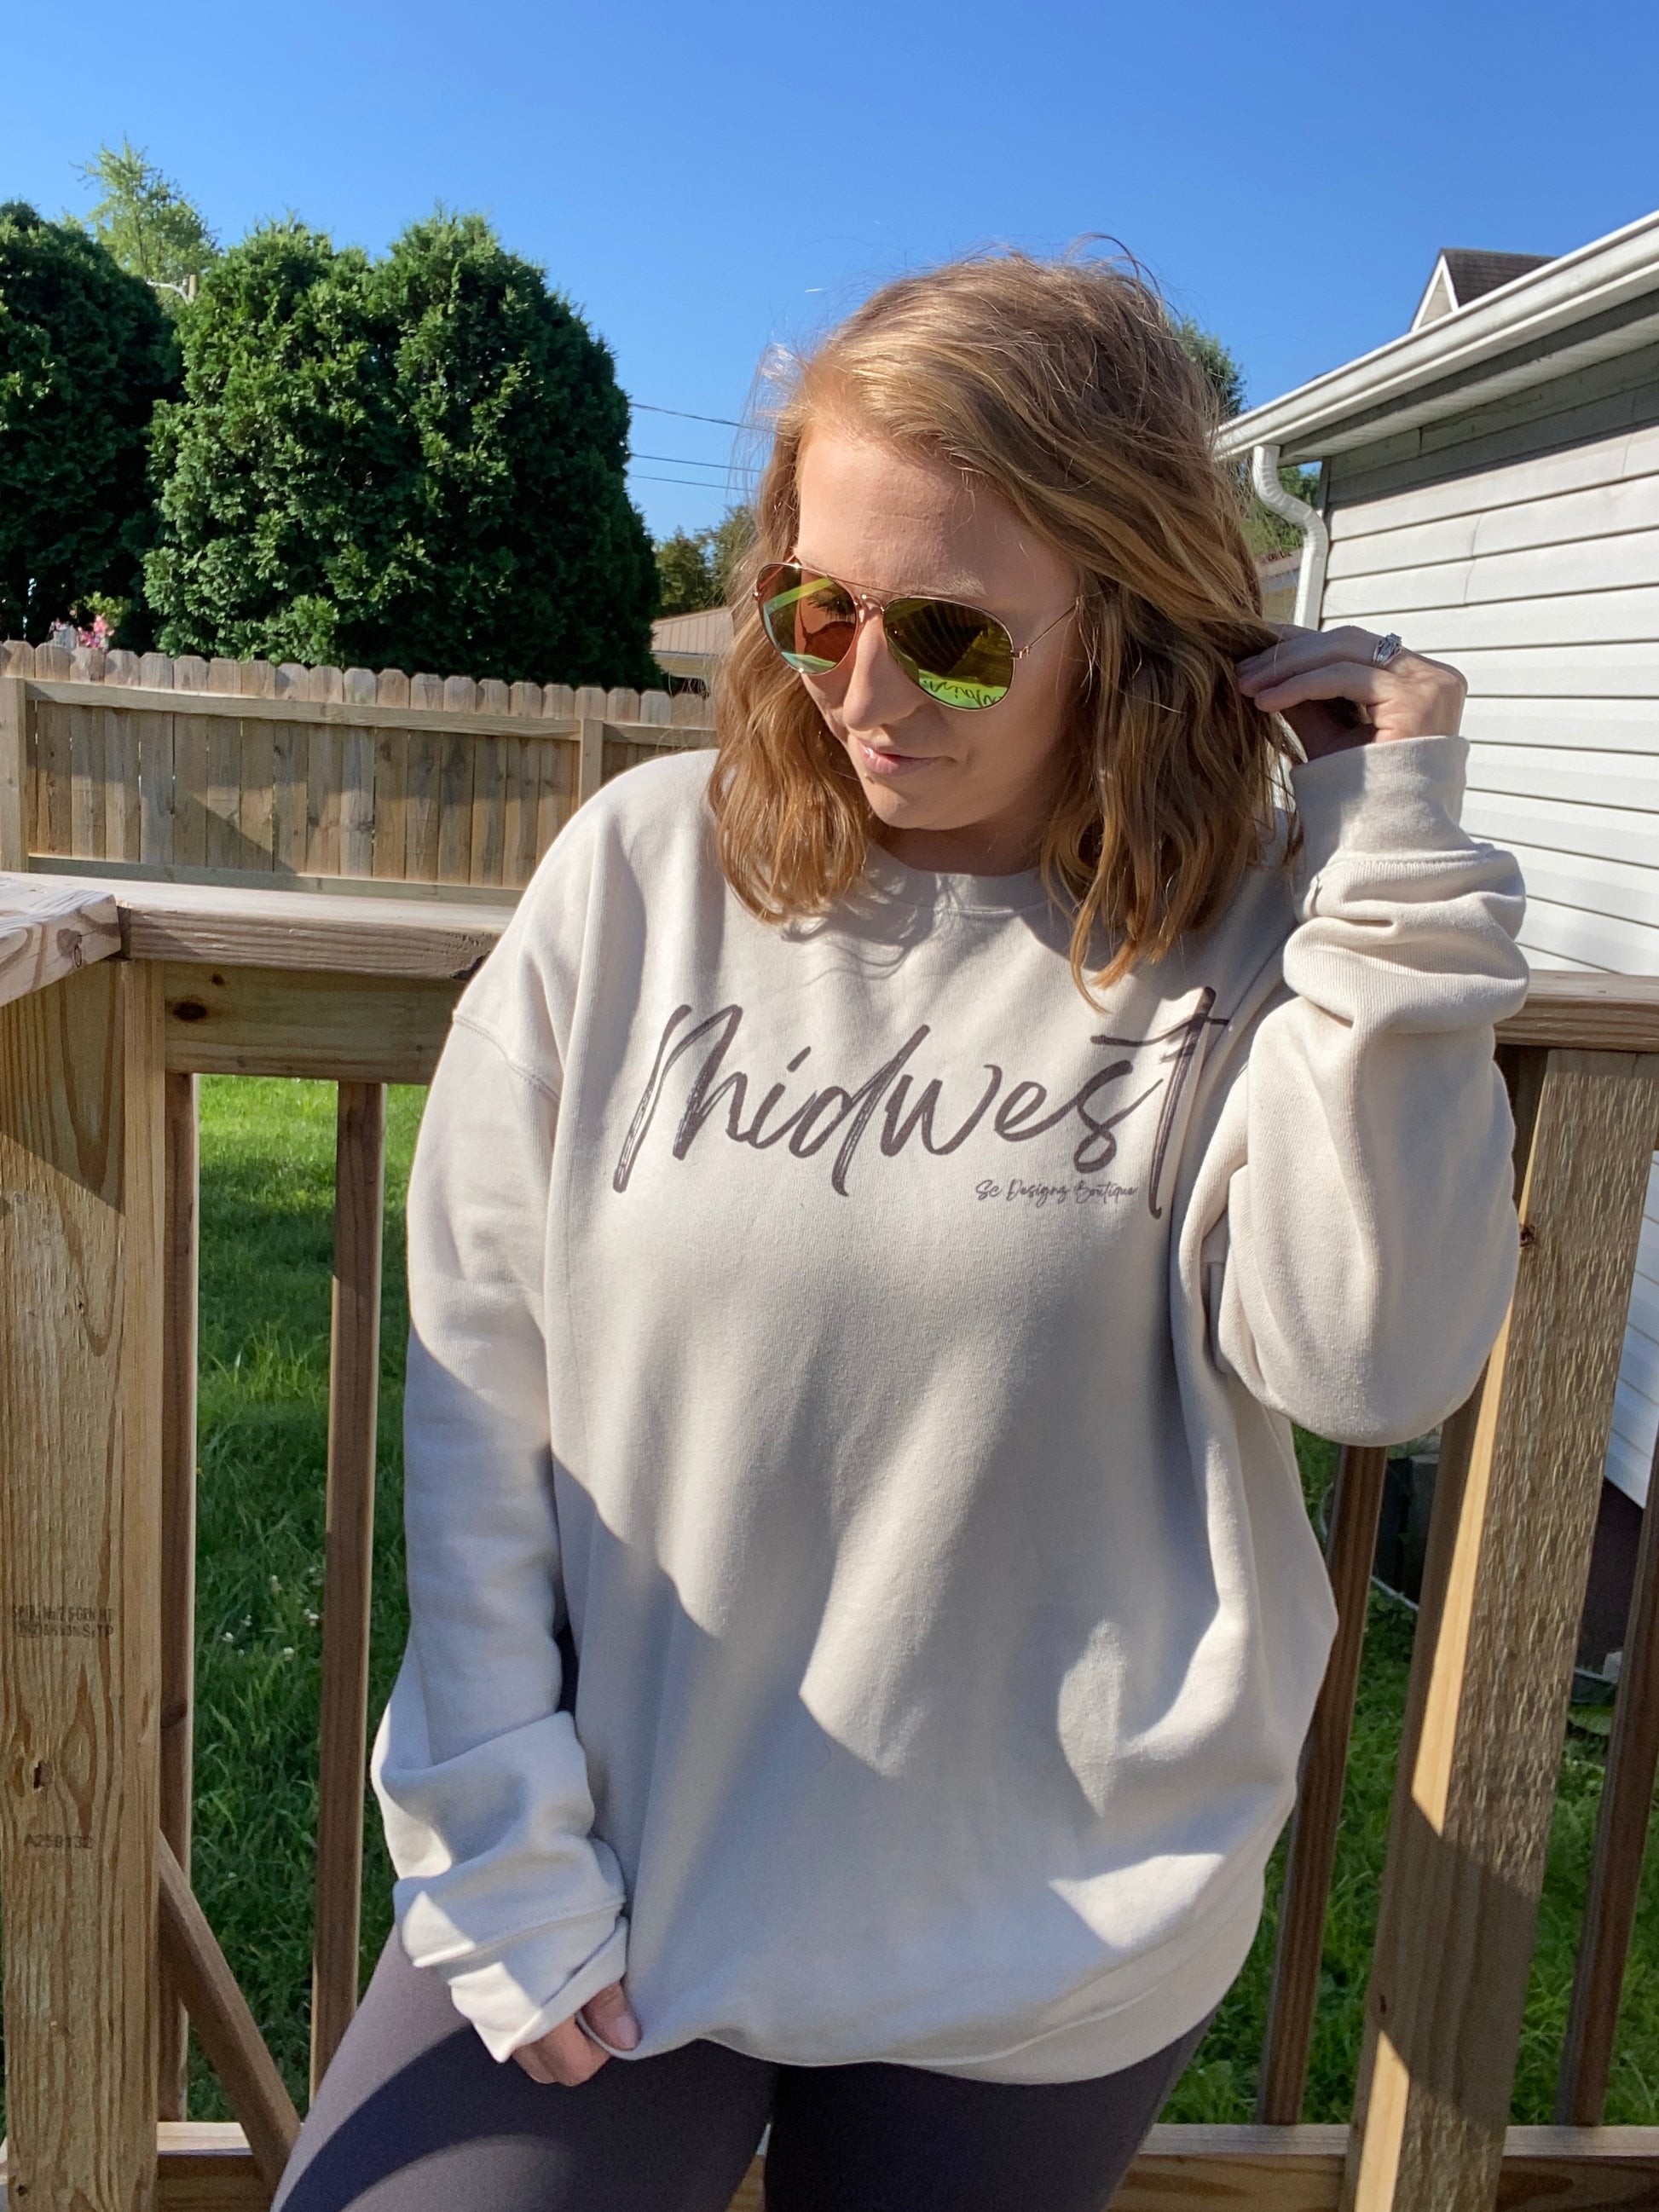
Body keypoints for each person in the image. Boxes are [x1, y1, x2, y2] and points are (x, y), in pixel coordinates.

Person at [271, 250, 1529, 2212]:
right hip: (607, 1870)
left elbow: (1371, 1362)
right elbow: (478, 1386)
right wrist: (501, 1828)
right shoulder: (641, 878)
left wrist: (1386, 850)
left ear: (1121, 618)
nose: (859, 690)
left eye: (948, 635)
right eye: (815, 606)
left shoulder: (1254, 929)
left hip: (1042, 1940)